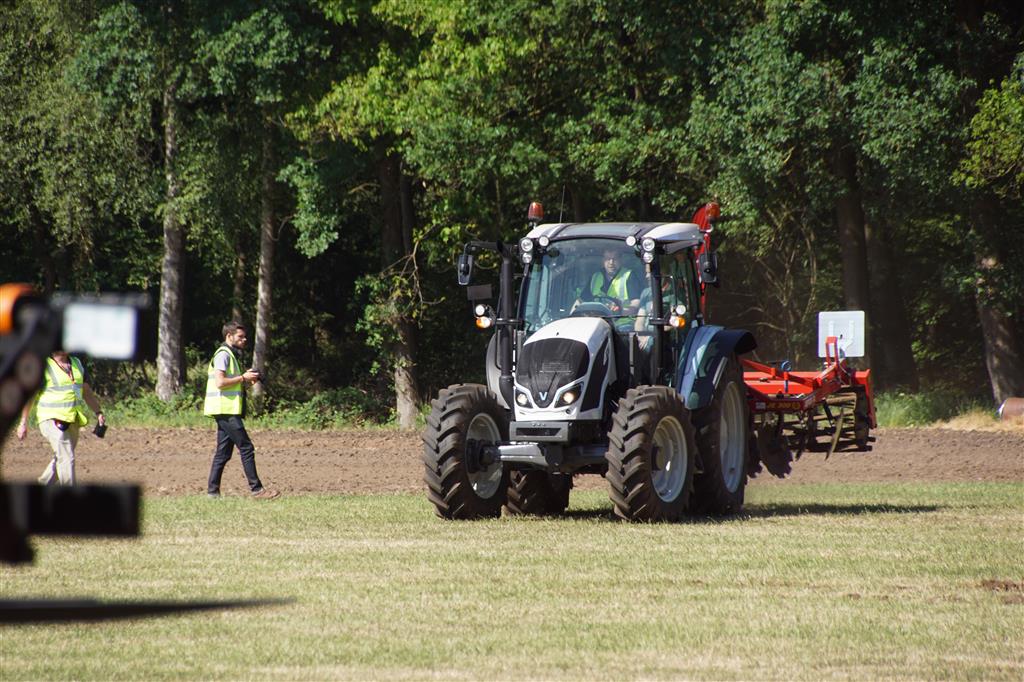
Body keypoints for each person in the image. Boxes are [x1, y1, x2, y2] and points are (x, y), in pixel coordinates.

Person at [204, 321, 279, 499]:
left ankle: (212, 492)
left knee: (223, 453)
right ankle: (257, 490)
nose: (244, 339)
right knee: (246, 447)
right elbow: (220, 382)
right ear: (229, 336)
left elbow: (232, 384)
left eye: (245, 337)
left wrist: (247, 380)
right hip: (225, 410)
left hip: (225, 409)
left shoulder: (230, 355)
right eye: (240, 336)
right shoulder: (223, 354)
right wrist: (243, 377)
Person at [16, 350, 105, 486]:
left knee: (62, 458)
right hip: (50, 419)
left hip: (72, 418)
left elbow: (86, 392)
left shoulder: (77, 363)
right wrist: (23, 422)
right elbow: (29, 397)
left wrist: (98, 412)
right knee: (67, 457)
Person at [581, 247, 642, 317]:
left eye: (615, 259)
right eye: (607, 259)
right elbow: (581, 300)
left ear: (620, 260)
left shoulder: (629, 275)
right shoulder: (595, 277)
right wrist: (572, 317)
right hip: (597, 320)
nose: (611, 262)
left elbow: (636, 302)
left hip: (622, 321)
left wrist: (621, 312)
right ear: (603, 260)